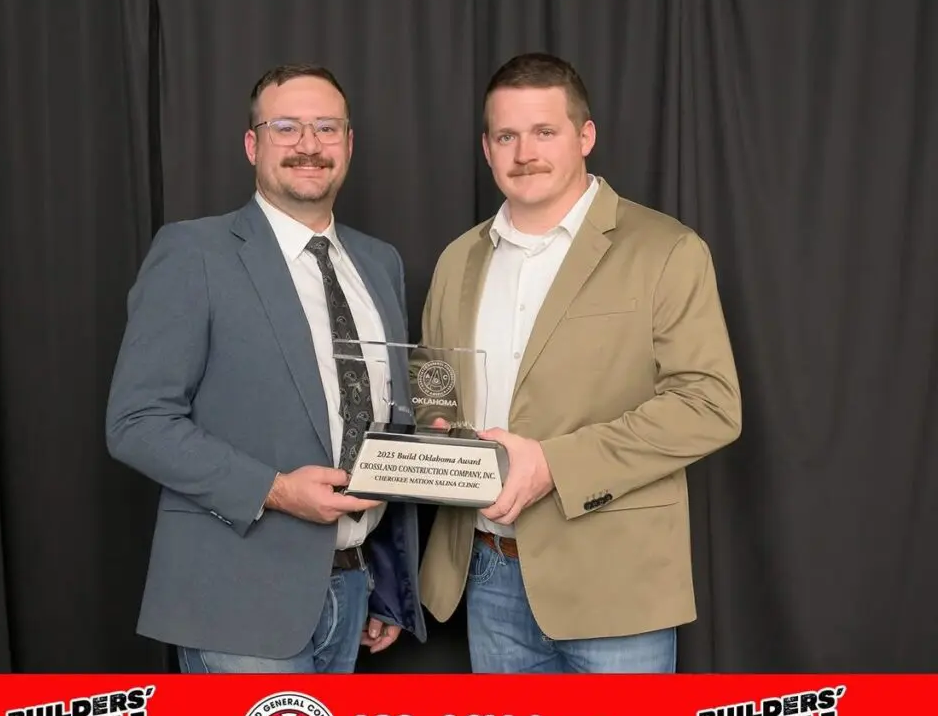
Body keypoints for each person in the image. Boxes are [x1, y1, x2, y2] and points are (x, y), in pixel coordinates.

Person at [416, 53, 742, 674]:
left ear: (585, 136)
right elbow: (436, 391)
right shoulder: (457, 259)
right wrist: (437, 434)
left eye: (545, 132)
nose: (524, 153)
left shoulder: (665, 250)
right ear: (486, 148)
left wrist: (552, 465)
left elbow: (710, 407)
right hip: (485, 572)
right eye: (506, 135)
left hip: (615, 585)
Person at [106, 64, 426, 673]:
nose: (309, 145)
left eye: (326, 128)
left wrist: (383, 577)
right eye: (287, 127)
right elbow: (137, 421)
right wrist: (276, 491)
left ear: (349, 144)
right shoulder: (194, 252)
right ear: (254, 144)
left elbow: (377, 420)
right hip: (237, 599)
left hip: (353, 592)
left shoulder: (379, 263)